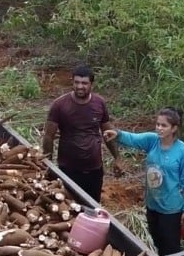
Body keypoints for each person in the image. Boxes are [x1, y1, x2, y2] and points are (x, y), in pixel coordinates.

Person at [103, 108, 184, 256]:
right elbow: (133, 138)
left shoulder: (183, 151)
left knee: (171, 247)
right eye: (158, 124)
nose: (159, 128)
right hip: (153, 205)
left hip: (171, 208)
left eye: (164, 125)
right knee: (158, 242)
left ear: (174, 128)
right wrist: (117, 134)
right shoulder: (152, 141)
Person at [41, 65, 124, 203]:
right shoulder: (60, 105)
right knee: (69, 206)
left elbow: (107, 132)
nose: (80, 86)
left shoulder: (99, 103)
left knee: (92, 206)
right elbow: (49, 136)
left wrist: (117, 158)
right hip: (68, 169)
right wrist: (47, 163)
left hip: (94, 170)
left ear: (91, 84)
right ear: (72, 82)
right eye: (77, 82)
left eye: (84, 83)